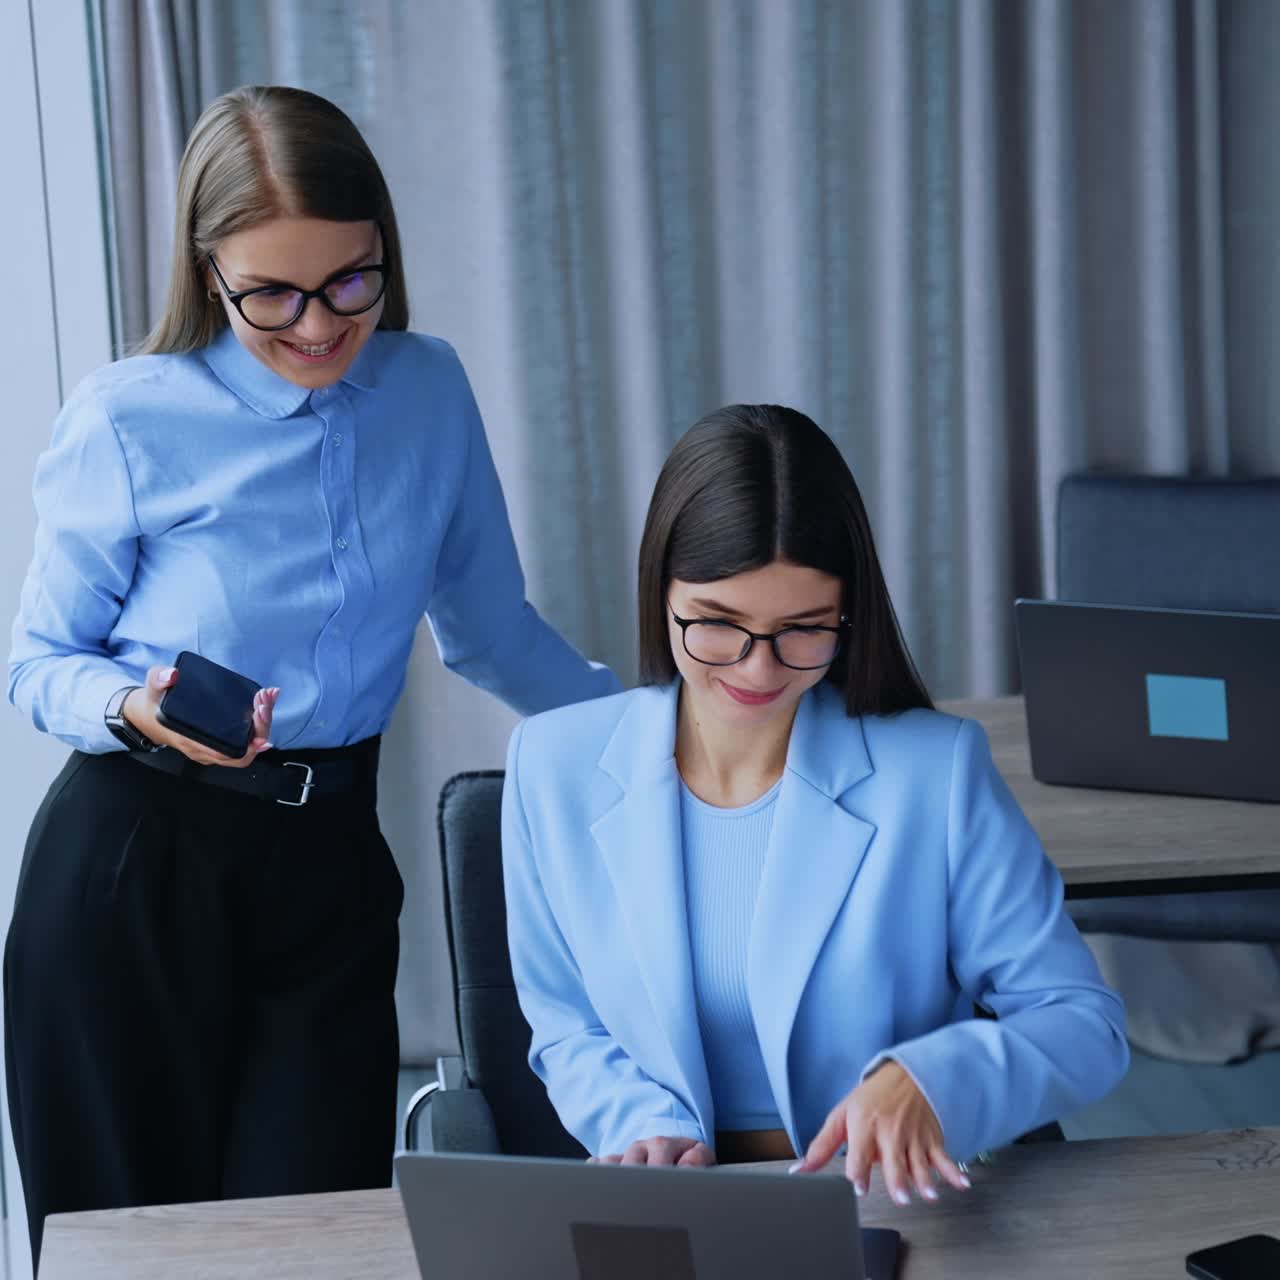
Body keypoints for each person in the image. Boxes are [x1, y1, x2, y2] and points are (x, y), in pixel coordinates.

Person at [5, 84, 618, 1262]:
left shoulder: (428, 388)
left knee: (306, 1244)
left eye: (350, 280)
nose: (319, 323)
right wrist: (126, 705)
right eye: (270, 294)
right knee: (134, 1252)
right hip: (135, 869)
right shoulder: (131, 417)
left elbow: (492, 630)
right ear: (207, 269)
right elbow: (36, 664)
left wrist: (665, 727)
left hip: (328, 864)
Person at [502, 404, 1128, 1202]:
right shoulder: (550, 765)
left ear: (847, 613)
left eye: (802, 629)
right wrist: (644, 1128)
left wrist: (933, 1079)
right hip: (667, 1205)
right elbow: (566, 1021)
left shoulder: (934, 773)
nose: (758, 670)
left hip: (884, 1201)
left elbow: (1082, 1021)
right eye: (718, 626)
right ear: (661, 590)